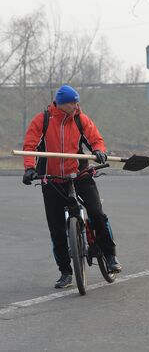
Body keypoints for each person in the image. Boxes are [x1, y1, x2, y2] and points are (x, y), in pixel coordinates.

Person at [22, 84, 122, 289]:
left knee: (97, 213)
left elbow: (96, 140)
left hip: (80, 175)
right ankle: (65, 272)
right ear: (61, 103)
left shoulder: (80, 118)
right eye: (72, 102)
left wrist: (99, 151)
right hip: (52, 179)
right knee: (56, 227)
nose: (76, 105)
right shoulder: (42, 120)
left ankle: (110, 256)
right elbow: (30, 146)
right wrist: (29, 168)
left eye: (77, 102)